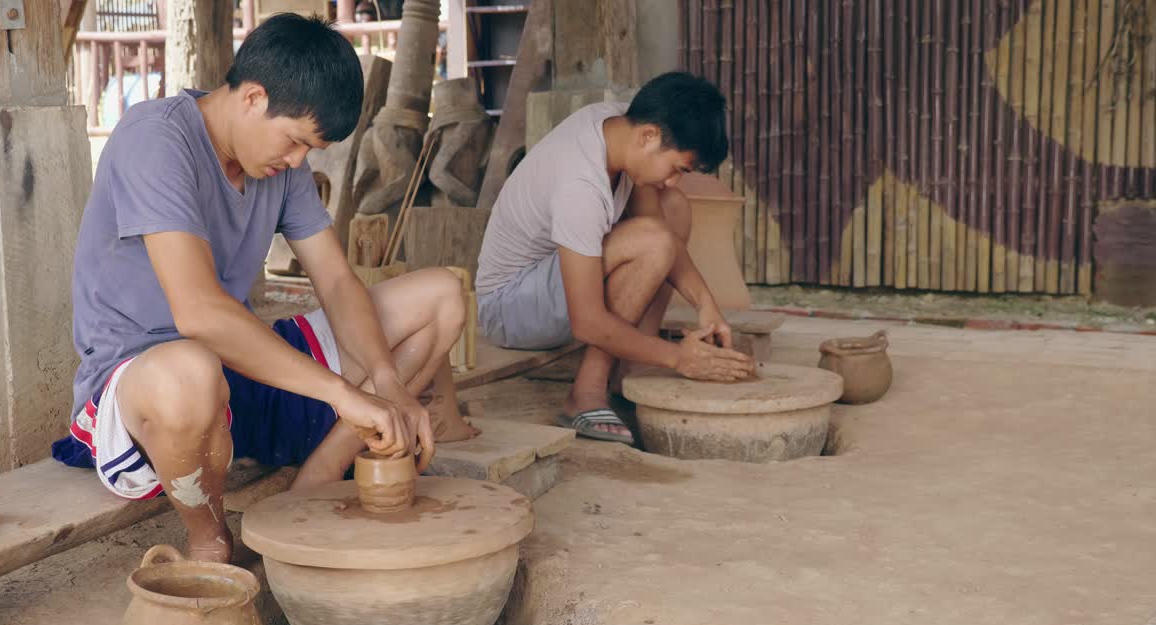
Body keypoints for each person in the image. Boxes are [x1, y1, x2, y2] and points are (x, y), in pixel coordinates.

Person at [53, 13, 469, 563]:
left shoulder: (279, 168)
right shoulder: (154, 138)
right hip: (145, 394)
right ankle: (210, 545)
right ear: (252, 98)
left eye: (309, 150)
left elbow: (338, 282)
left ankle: (317, 475)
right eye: (295, 142)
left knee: (441, 297)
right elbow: (199, 314)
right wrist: (344, 392)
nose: (299, 162)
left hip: (234, 375)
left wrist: (388, 382)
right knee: (190, 370)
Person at [474, 72, 756, 445]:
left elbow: (661, 229)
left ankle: (629, 367)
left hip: (547, 285)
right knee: (652, 241)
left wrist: (707, 305)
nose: (674, 179)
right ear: (649, 137)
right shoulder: (581, 184)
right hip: (509, 309)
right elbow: (587, 322)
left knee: (673, 209)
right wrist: (678, 358)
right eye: (678, 169)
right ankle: (585, 394)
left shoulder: (619, 125)